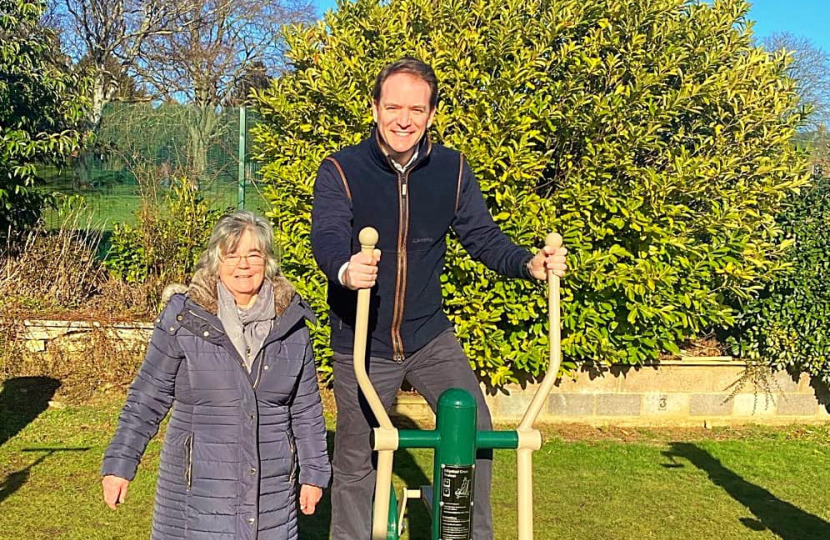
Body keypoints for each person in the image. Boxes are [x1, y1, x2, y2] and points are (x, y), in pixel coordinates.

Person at [310, 58, 568, 539]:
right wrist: (347, 269)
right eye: (392, 107)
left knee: (474, 431)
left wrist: (528, 264)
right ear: (374, 108)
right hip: (362, 340)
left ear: (430, 114)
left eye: (416, 109)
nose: (403, 120)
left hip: (429, 336)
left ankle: (470, 533)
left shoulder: (451, 170)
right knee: (356, 453)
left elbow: (483, 238)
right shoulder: (341, 169)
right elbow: (326, 236)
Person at [101, 210, 331, 540]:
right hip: (197, 490)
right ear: (215, 261)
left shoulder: (292, 323)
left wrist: (313, 473)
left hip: (271, 493)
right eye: (232, 255)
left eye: (254, 254)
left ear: (267, 261)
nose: (243, 265)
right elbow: (147, 398)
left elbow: (306, 409)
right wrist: (120, 465)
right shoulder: (184, 317)